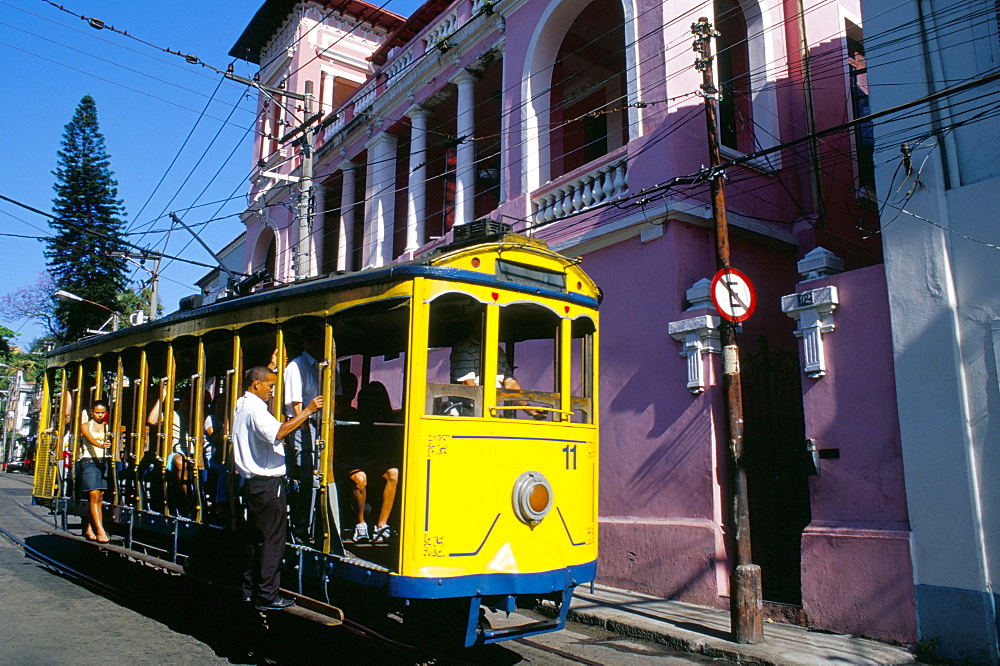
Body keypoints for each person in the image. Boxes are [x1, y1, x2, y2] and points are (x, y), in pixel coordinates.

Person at [233, 365, 323, 611]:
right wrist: (307, 410)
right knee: (273, 541)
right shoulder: (255, 409)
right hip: (268, 484)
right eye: (270, 386)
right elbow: (280, 431)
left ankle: (249, 590)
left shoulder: (242, 405)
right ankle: (268, 596)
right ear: (256, 385)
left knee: (255, 540)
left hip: (253, 484)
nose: (273, 391)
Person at [342, 381, 399, 545]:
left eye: (378, 397)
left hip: (373, 464)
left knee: (393, 473)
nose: (375, 401)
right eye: (371, 397)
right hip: (353, 462)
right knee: (360, 478)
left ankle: (382, 525)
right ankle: (360, 524)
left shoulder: (387, 419)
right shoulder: (353, 417)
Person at [283, 323, 324, 540]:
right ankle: (302, 527)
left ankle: (319, 525)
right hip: (302, 427)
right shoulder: (295, 367)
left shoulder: (325, 366)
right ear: (307, 342)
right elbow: (295, 404)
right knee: (309, 476)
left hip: (323, 427)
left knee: (322, 476)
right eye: (317, 340)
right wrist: (306, 431)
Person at [78, 400, 113, 543]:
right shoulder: (85, 426)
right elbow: (90, 439)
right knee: (93, 494)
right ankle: (100, 530)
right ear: (91, 412)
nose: (100, 415)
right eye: (97, 412)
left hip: (103, 462)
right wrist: (101, 444)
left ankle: (89, 526)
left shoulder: (107, 427)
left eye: (102, 412)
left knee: (99, 497)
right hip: (89, 461)